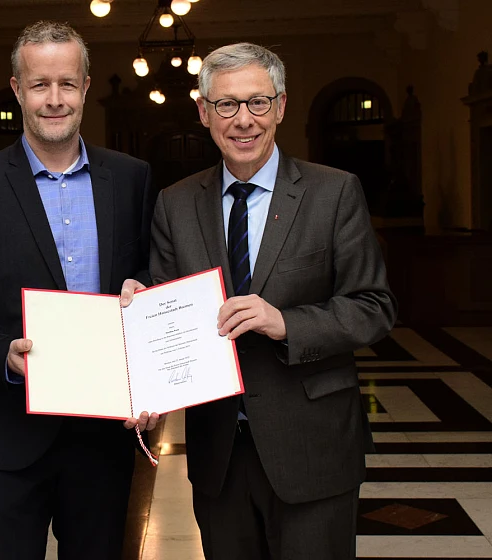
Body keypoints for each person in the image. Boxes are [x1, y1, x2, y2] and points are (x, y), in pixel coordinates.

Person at [124, 43, 397, 559]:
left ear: (282, 106)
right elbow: (163, 313)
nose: (243, 120)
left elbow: (374, 306)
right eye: (227, 105)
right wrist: (143, 333)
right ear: (204, 112)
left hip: (313, 446)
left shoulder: (333, 193)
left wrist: (286, 322)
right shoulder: (175, 203)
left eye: (258, 102)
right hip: (218, 452)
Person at [0, 21, 158, 560]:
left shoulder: (131, 179)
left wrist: (147, 304)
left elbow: (152, 285)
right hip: (8, 435)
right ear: (17, 89)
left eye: (66, 83)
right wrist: (3, 355)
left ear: (85, 86)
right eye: (40, 85)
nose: (54, 99)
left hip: (101, 439)